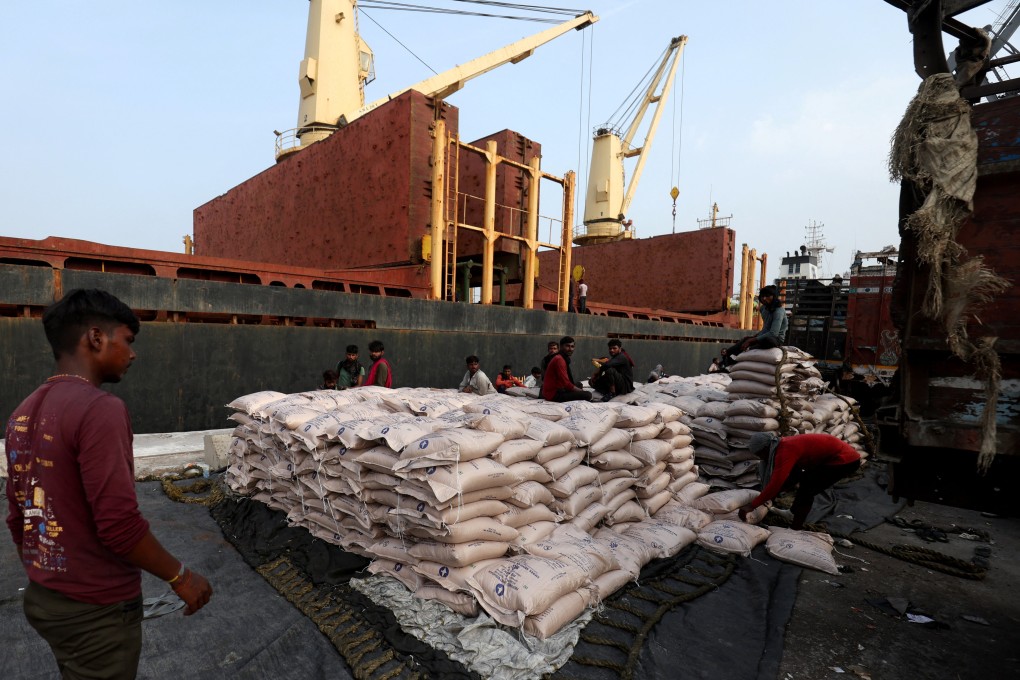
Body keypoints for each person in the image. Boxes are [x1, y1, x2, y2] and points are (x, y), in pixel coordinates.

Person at [5, 288, 213, 679]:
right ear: (96, 337)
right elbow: (119, 525)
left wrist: (47, 577)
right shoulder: (100, 409)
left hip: (45, 600)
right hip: (95, 612)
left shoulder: (22, 412)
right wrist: (181, 577)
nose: (132, 354)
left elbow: (18, 517)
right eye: (128, 340)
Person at [737, 432, 862, 531]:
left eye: (760, 454)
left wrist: (752, 505)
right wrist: (768, 497)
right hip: (825, 459)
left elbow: (776, 483)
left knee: (808, 487)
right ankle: (792, 513)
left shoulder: (785, 451)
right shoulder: (780, 445)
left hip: (844, 460)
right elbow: (788, 478)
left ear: (765, 448)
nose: (761, 458)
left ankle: (796, 527)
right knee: (801, 477)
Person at [722, 285, 789, 367]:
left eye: (768, 296)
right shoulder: (763, 309)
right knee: (740, 343)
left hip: (775, 339)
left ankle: (749, 350)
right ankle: (727, 363)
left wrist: (753, 340)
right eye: (762, 296)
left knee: (765, 340)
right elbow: (766, 328)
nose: (764, 298)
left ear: (774, 297)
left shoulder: (778, 311)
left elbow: (773, 333)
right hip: (764, 335)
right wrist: (752, 338)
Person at [541, 336, 591, 402]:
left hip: (557, 389)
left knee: (578, 385)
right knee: (588, 395)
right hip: (553, 394)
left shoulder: (561, 358)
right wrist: (581, 391)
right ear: (561, 347)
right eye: (567, 346)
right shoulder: (559, 359)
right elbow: (566, 383)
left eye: (572, 346)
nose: (570, 349)